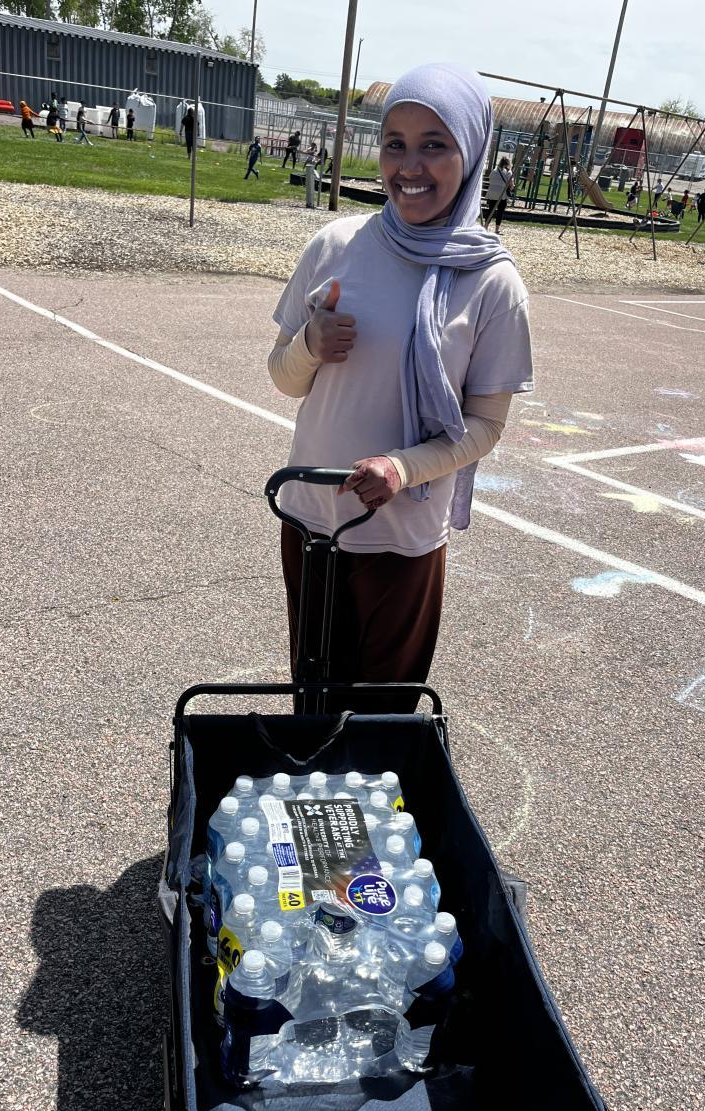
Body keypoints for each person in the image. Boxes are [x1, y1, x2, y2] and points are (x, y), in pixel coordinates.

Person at [267, 63, 533, 710]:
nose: (410, 166)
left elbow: (486, 425)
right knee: (313, 703)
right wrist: (309, 345)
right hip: (311, 518)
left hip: (401, 533)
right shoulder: (335, 244)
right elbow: (283, 379)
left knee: (383, 719)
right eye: (395, 144)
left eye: (434, 145)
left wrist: (402, 468)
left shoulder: (491, 281)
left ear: (471, 152)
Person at [484, 155, 515, 232]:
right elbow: (511, 185)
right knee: (500, 211)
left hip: (492, 193)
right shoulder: (508, 172)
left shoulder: (494, 170)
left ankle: (485, 227)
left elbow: (490, 180)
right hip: (501, 195)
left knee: (490, 210)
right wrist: (511, 188)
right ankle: (497, 229)